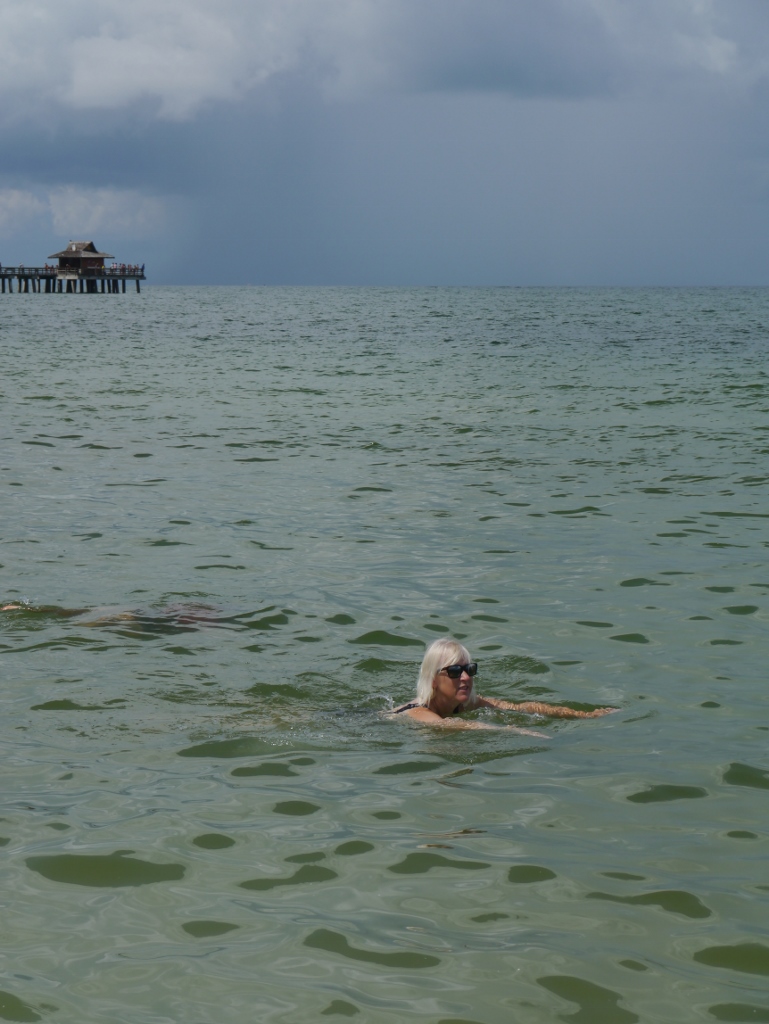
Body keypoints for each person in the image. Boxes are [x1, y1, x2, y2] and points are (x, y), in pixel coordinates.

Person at [392, 636, 616, 729]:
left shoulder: (464, 704)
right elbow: (455, 726)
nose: (466, 677)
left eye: (469, 669)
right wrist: (516, 732)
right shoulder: (418, 712)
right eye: (454, 671)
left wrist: (582, 715)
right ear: (432, 681)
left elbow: (518, 707)